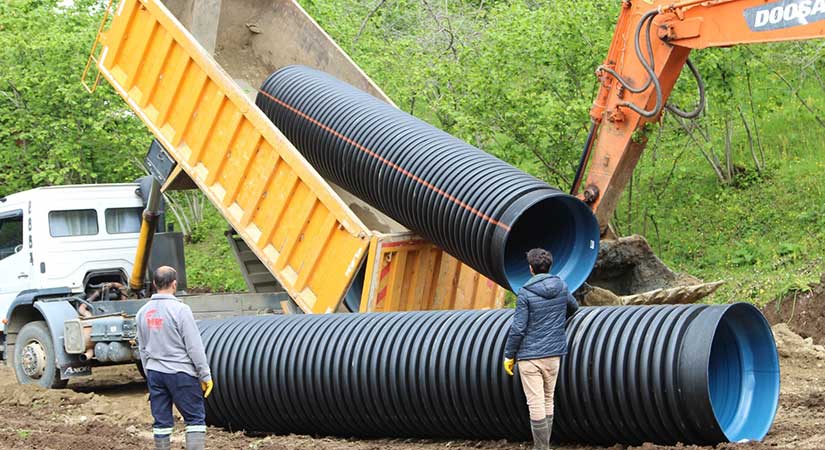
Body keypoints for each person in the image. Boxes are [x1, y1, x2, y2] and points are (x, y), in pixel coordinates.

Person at [502, 248, 578, 450]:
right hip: (554, 355)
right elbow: (574, 307)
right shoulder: (561, 286)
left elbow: (518, 328)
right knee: (547, 399)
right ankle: (543, 446)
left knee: (535, 403)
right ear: (549, 266)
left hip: (530, 357)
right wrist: (557, 323)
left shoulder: (526, 293)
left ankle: (541, 448)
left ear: (530, 269)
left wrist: (509, 355)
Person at [137, 266, 214, 450]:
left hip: (155, 373)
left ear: (154, 284)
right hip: (181, 373)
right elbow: (194, 346)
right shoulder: (180, 310)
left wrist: (150, 373)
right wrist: (205, 375)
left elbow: (142, 348)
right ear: (174, 284)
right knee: (195, 418)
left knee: (161, 422)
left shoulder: (142, 313)